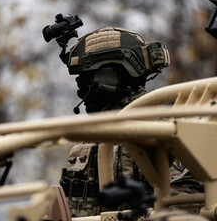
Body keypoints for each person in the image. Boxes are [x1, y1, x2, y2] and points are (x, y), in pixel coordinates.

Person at [58, 27, 200, 217]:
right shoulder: (90, 140)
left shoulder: (166, 128)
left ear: (111, 75)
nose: (81, 91)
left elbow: (186, 201)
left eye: (86, 81)